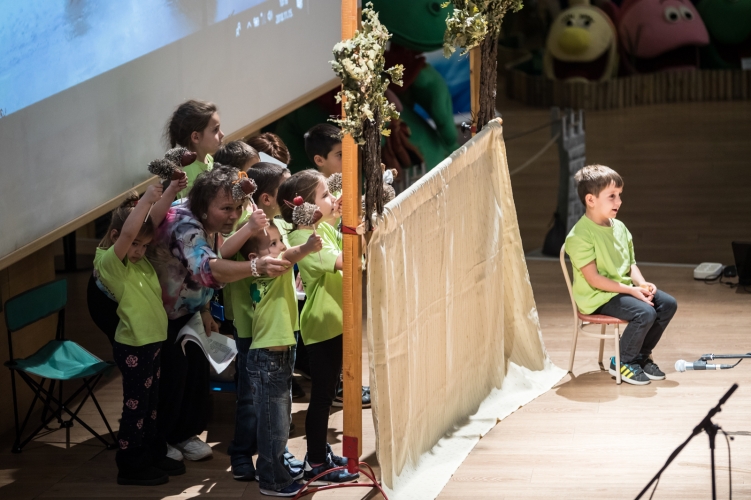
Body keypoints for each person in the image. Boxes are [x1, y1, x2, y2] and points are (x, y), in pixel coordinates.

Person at [147, 165, 287, 462]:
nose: (234, 216)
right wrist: (255, 267)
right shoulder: (183, 224)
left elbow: (208, 264)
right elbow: (206, 269)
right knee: (171, 374)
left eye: (237, 208)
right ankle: (157, 440)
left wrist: (205, 308)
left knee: (194, 374)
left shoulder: (208, 222)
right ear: (203, 206)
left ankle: (182, 434)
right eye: (226, 208)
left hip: (184, 310)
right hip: (151, 310)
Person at [93, 179, 186, 485]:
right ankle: (131, 466)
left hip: (151, 344)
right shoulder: (111, 263)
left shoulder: (140, 260)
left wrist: (170, 192)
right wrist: (146, 198)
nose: (140, 250)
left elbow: (149, 224)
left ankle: (151, 453)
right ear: (116, 236)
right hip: (134, 346)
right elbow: (129, 233)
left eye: (144, 245)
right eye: (135, 244)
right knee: (135, 408)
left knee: (150, 406)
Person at [278, 170, 359, 484]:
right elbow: (343, 261)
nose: (332, 198)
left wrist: (337, 216)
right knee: (323, 398)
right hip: (323, 324)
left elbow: (335, 236)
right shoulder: (304, 239)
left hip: (336, 319)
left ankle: (321, 452)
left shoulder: (319, 228)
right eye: (324, 195)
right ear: (303, 205)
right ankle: (315, 462)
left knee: (327, 393)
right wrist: (358, 229)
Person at [228, 222, 322, 496]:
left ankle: (273, 468)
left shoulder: (271, 272)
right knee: (274, 425)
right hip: (269, 357)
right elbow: (290, 255)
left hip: (277, 355)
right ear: (254, 259)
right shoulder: (271, 269)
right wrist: (307, 247)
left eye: (280, 240)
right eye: (273, 244)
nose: (281, 247)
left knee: (277, 421)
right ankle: (272, 479)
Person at [565, 165, 677, 385]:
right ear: (591, 200)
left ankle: (641, 356)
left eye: (619, 195)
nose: (619, 201)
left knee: (667, 304)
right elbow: (594, 279)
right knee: (644, 312)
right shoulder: (579, 235)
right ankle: (623, 361)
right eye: (612, 196)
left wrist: (642, 284)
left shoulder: (620, 227)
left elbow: (630, 264)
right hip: (597, 296)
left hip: (620, 289)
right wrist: (631, 291)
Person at [165, 100, 224, 198]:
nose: (222, 134)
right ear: (196, 137)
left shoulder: (208, 157)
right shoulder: (189, 174)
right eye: (215, 130)